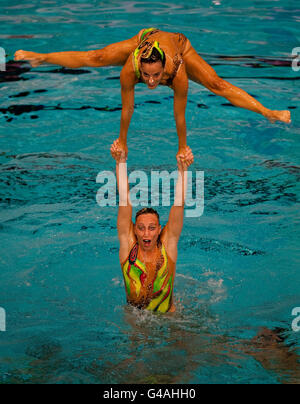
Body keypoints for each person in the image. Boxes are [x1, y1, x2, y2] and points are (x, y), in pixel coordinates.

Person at [14, 28, 291, 159]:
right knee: (96, 57)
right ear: (139, 66)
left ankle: (267, 112)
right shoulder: (130, 70)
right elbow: (127, 108)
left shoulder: (177, 71)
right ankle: (42, 57)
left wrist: (182, 146)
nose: (150, 82)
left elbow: (179, 115)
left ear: (164, 69)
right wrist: (122, 141)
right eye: (146, 75)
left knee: (216, 84)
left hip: (179, 46)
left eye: (155, 76)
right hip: (145, 37)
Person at [110, 139, 193, 313]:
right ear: (134, 230)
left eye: (152, 228)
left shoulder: (168, 246)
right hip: (135, 319)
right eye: (141, 228)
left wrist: (183, 170)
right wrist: (120, 162)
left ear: (160, 229)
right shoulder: (128, 246)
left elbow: (179, 204)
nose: (146, 233)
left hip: (169, 319)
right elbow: (124, 200)